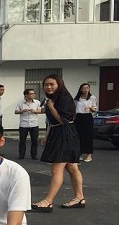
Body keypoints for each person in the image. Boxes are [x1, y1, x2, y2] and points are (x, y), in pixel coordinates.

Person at [32, 74, 85, 212]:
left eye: (52, 84)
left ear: (59, 84)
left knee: (56, 169)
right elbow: (53, 122)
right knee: (72, 168)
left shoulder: (64, 98)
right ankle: (79, 198)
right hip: (58, 132)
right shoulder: (52, 98)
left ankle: (48, 201)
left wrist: (51, 107)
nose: (48, 87)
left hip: (65, 134)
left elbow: (63, 120)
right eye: (46, 85)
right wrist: (47, 135)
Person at [14, 89, 42, 160]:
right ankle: (21, 155)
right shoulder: (21, 103)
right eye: (31, 94)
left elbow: (41, 111)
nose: (33, 95)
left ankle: (34, 155)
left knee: (34, 140)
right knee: (22, 140)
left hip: (34, 124)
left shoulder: (37, 102)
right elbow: (16, 111)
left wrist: (34, 111)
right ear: (26, 95)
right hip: (23, 124)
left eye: (34, 93)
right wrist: (22, 111)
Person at [73, 83, 97, 162]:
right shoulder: (77, 98)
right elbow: (74, 109)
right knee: (78, 135)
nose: (86, 89)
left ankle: (89, 154)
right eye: (84, 88)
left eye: (87, 88)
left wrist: (90, 108)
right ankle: (79, 153)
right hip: (78, 117)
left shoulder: (92, 97)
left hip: (87, 117)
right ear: (81, 89)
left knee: (88, 135)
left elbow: (94, 109)